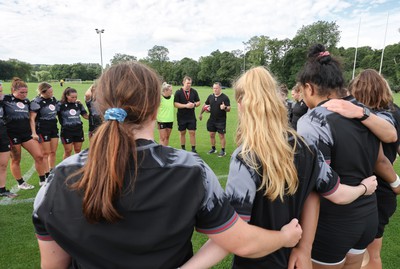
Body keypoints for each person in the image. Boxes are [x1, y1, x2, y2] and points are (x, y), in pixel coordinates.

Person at [32, 62, 303, 269]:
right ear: (154, 108)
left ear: (101, 107)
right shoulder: (190, 171)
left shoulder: (57, 179)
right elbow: (241, 241)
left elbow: (53, 265)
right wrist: (285, 238)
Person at [182, 66, 378, 269]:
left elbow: (236, 236)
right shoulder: (307, 147)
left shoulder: (245, 157)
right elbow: (336, 194)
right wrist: (364, 188)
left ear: (240, 105)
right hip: (294, 261)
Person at [296, 44, 395, 269]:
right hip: (368, 213)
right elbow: (388, 140)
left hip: (333, 220)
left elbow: (317, 184)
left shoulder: (312, 122)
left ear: (309, 88)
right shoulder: (363, 111)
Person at [329, 69, 400, 269]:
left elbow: (388, 146)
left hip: (368, 188)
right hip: (376, 191)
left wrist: (396, 181)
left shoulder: (365, 117)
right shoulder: (394, 111)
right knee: (367, 254)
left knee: (360, 254)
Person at [3, 77, 46, 190]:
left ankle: (42, 180)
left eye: (26, 92)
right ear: (13, 90)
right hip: (12, 135)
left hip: (27, 134)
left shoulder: (26, 101)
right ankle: (21, 183)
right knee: (16, 159)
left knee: (39, 155)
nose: (24, 94)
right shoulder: (5, 99)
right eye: (21, 92)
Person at [30, 82, 59, 185]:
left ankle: (52, 171)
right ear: (43, 92)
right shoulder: (36, 102)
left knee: (53, 151)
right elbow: (32, 119)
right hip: (42, 129)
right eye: (50, 92)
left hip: (53, 128)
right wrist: (34, 132)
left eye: (52, 91)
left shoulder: (53, 100)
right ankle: (46, 176)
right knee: (45, 153)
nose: (52, 93)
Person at [199, 82, 231, 157]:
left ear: (220, 88)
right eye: (214, 88)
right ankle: (213, 149)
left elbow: (229, 109)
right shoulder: (210, 96)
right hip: (212, 120)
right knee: (211, 134)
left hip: (221, 120)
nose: (215, 90)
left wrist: (225, 107)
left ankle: (223, 151)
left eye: (216, 88)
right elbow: (205, 105)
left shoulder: (225, 97)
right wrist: (201, 113)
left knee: (221, 136)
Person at [58, 87, 88, 159]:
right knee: (68, 151)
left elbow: (85, 115)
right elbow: (52, 114)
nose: (74, 99)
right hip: (66, 131)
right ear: (67, 96)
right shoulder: (60, 105)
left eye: (75, 97)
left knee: (78, 150)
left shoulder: (78, 104)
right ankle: (65, 168)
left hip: (78, 130)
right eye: (72, 97)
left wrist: (96, 117)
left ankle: (76, 167)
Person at [174, 76, 200, 152]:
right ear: (183, 82)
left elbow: (198, 102)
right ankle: (183, 149)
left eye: (190, 83)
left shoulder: (194, 91)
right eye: (187, 83)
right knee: (182, 132)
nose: (189, 85)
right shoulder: (178, 92)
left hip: (191, 116)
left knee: (192, 132)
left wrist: (194, 105)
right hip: (181, 116)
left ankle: (193, 149)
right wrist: (186, 105)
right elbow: (175, 104)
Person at [0, 80, 16, 197]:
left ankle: (2, 189)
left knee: (3, 164)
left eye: (1, 90)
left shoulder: (4, 101)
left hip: (3, 133)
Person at [156, 82, 174, 146]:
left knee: (167, 137)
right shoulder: (160, 98)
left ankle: (165, 151)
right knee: (162, 138)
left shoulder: (172, 97)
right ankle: (161, 152)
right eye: (170, 90)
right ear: (166, 90)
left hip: (170, 120)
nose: (172, 92)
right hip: (161, 121)